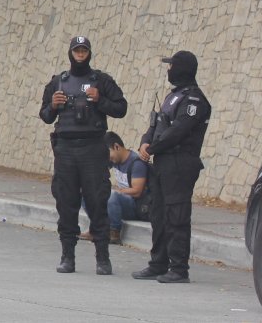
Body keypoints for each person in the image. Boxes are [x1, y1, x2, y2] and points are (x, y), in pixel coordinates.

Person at [38, 35, 127, 276]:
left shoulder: (101, 81)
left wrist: (101, 101)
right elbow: (45, 115)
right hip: (66, 150)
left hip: (92, 149)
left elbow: (121, 108)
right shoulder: (58, 82)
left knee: (98, 202)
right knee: (66, 203)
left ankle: (102, 257)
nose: (80, 54)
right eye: (76, 50)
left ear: (89, 53)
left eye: (83, 50)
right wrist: (53, 106)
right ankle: (68, 256)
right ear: (70, 52)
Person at [132, 51, 211, 284]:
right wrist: (146, 142)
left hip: (180, 162)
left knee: (177, 215)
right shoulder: (172, 97)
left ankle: (178, 268)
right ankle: (158, 263)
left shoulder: (194, 99)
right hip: (162, 162)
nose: (168, 70)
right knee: (158, 214)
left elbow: (179, 131)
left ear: (183, 68)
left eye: (172, 66)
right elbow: (156, 124)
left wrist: (153, 148)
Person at [79, 131, 148, 245]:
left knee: (111, 195)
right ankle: (96, 228)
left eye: (107, 154)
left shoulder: (136, 163)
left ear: (116, 147)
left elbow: (137, 191)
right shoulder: (114, 160)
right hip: (117, 203)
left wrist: (115, 192)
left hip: (136, 206)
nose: (107, 159)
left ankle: (113, 232)